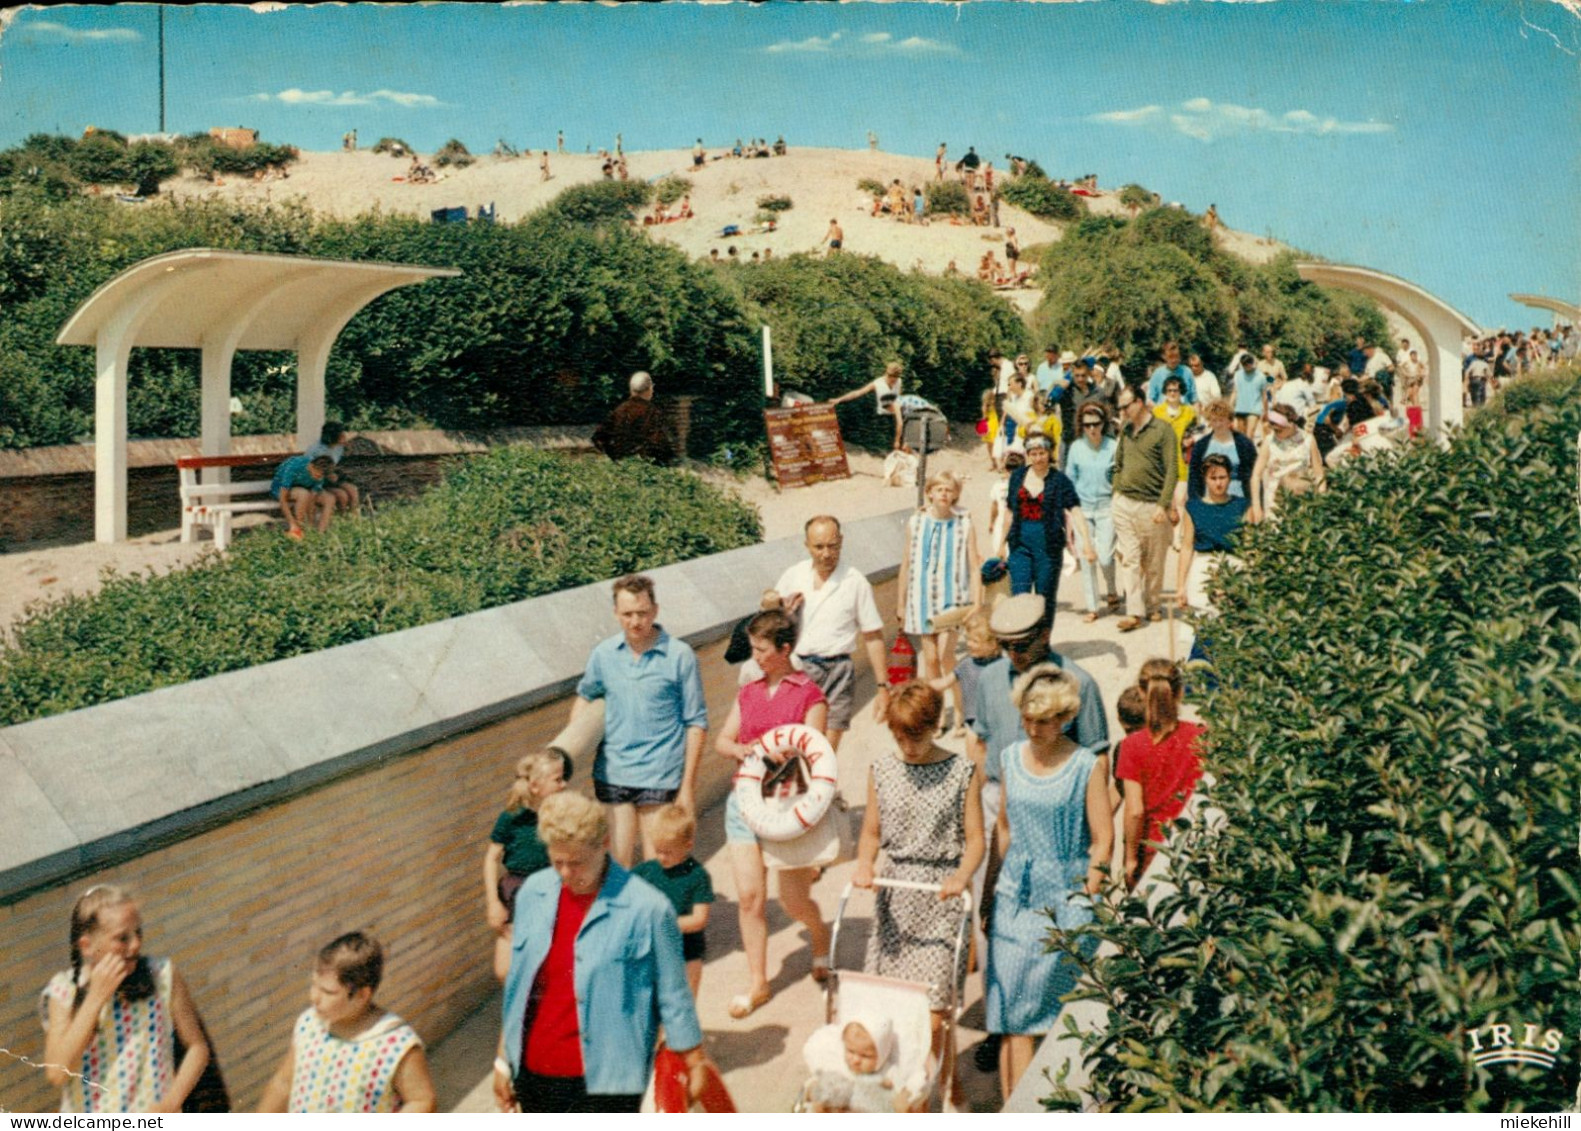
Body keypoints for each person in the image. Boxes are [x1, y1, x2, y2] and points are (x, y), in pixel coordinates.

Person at [494, 792, 712, 1113]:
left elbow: (673, 993)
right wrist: (503, 1060)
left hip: (608, 1080)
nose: (566, 874)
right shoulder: (533, 894)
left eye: (577, 862)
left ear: (605, 843)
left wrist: (694, 1058)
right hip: (535, 1073)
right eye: (557, 862)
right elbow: (520, 988)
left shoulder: (648, 908)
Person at [853, 681, 984, 1105]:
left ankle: (942, 1084)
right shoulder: (882, 770)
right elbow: (871, 832)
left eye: (916, 735)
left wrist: (962, 875)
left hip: (941, 898)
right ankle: (923, 1089)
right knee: (892, 1010)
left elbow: (977, 840)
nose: (908, 746)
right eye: (899, 737)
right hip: (896, 898)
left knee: (933, 1016)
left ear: (935, 726)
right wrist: (863, 864)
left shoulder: (961, 771)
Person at [984, 666, 1112, 1099]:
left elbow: (1103, 841)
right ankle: (1014, 1110)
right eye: (1027, 718)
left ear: (1065, 718)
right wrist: (998, 889)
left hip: (1065, 902)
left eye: (1043, 720)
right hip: (1014, 902)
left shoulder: (1085, 766)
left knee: (1050, 1020)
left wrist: (1086, 898)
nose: (1033, 728)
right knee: (1011, 1019)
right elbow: (1002, 827)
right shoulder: (1008, 759)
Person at [713, 608, 833, 1018]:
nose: (756, 656)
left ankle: (819, 936)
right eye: (754, 648)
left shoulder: (809, 695)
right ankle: (758, 982)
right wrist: (742, 750)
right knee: (750, 898)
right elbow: (723, 742)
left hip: (787, 807)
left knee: (793, 900)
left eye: (763, 649)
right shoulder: (747, 692)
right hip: (743, 804)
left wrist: (788, 755)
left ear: (786, 648)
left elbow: (815, 751)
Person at [571, 574, 707, 868]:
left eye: (642, 613)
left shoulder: (680, 656)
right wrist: (570, 751)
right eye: (627, 614)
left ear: (655, 611)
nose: (635, 621)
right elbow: (585, 697)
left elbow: (696, 723)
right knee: (615, 867)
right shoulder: (604, 655)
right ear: (616, 614)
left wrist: (687, 789)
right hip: (613, 774)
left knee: (658, 868)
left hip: (660, 776)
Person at [42, 885, 212, 1113]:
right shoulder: (65, 990)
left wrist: (172, 1102)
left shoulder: (162, 975)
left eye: (138, 932)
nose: (135, 944)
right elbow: (56, 1074)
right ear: (87, 946)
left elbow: (197, 1047)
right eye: (122, 938)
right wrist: (95, 998)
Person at [258, 932, 436, 1113]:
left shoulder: (396, 1044)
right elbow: (283, 1083)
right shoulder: (310, 1025)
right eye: (314, 984)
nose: (314, 997)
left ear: (362, 995)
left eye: (328, 992)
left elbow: (421, 1100)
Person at [773, 516, 890, 751]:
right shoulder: (793, 576)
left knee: (825, 750)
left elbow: (873, 636)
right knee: (797, 745)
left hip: (838, 672)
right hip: (799, 670)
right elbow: (769, 620)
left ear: (841, 542)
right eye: (818, 547)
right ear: (806, 544)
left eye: (832, 546)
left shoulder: (855, 582)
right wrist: (776, 607)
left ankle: (821, 785)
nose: (826, 554)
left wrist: (883, 688)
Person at [1116, 660, 1204, 887]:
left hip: (1153, 849)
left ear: (1141, 693)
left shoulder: (1132, 746)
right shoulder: (1201, 736)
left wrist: (1130, 859)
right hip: (1194, 845)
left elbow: (1135, 811)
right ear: (1181, 692)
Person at [484, 750, 570, 981]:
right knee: (505, 970)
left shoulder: (559, 815)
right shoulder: (511, 818)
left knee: (547, 966)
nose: (564, 784)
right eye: (557, 780)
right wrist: (493, 902)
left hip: (551, 890)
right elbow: (491, 858)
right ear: (534, 786)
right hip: (516, 892)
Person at [1000, 434, 1093, 630]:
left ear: (1049, 453)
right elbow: (1009, 511)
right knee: (1020, 595)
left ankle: (1041, 644)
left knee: (1044, 597)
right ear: (1027, 454)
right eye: (1033, 453)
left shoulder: (1060, 480)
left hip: (1048, 548)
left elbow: (1075, 510)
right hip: (1019, 545)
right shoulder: (1017, 477)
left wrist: (1087, 544)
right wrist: (1000, 545)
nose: (1037, 458)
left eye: (1041, 453)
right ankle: (1022, 644)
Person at [1112, 385, 1178, 631]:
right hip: (1124, 503)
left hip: (1152, 506)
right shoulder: (1126, 431)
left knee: (1154, 562)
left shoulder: (1163, 430)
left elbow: (1172, 469)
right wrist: (1116, 491)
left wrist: (1163, 504)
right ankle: (1134, 612)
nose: (1122, 411)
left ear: (1140, 402)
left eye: (1126, 406)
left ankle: (1153, 606)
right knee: (1129, 558)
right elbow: (1118, 464)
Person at [632, 805, 714, 998]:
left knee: (685, 1002)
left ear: (688, 845)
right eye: (657, 850)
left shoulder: (697, 876)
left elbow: (699, 919)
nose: (661, 857)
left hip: (689, 948)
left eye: (667, 852)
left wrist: (662, 923)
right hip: (655, 947)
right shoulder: (647, 871)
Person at [1064, 403, 1119, 622]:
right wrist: (1069, 511)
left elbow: (1120, 476)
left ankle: (1112, 589)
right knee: (1087, 559)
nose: (1092, 429)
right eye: (1087, 425)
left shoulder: (1114, 446)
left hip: (1107, 507)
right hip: (1082, 509)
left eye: (1096, 424)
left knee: (1105, 556)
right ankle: (1092, 606)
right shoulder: (1076, 447)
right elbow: (1070, 478)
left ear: (1103, 423)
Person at [1176, 454, 1249, 614]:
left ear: (1230, 477)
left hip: (1234, 564)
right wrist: (1181, 586)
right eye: (1213, 478)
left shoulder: (1242, 506)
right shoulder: (1193, 508)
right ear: (1205, 479)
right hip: (1204, 566)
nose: (1218, 483)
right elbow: (1187, 547)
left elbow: (1250, 545)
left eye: (1222, 477)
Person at [1251, 409, 1324, 524]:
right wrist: (1256, 506)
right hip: (1274, 497)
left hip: (1301, 494)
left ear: (1291, 425)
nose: (1276, 433)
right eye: (1274, 430)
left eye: (1279, 430)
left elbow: (1319, 473)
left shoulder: (1308, 439)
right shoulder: (1269, 441)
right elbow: (1256, 475)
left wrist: (1321, 500)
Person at [590, 370, 677, 465]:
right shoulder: (652, 412)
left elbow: (598, 438)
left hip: (620, 468)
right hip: (645, 468)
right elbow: (659, 443)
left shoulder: (620, 410)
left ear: (631, 390)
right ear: (649, 389)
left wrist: (614, 456)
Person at [827, 360, 906, 450]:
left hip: (897, 414)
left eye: (896, 379)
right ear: (888, 374)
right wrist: (839, 399)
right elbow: (858, 393)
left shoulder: (899, 381)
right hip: (884, 417)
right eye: (892, 379)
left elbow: (899, 396)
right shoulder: (877, 383)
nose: (894, 381)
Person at [269, 453, 335, 539]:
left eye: (321, 477)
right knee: (303, 494)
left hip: (305, 489)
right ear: (311, 466)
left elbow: (313, 497)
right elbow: (282, 498)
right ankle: (299, 530)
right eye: (317, 475)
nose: (319, 479)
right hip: (281, 489)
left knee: (330, 499)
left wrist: (311, 521)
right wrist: (292, 522)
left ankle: (320, 535)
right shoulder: (294, 466)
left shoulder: (320, 473)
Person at [306, 420, 361, 515]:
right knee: (342, 495)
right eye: (342, 435)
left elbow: (336, 463)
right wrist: (327, 475)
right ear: (333, 437)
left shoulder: (338, 447)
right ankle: (341, 519)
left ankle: (354, 520)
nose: (345, 437)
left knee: (353, 490)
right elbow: (310, 471)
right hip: (317, 481)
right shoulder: (316, 450)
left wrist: (348, 448)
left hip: (331, 478)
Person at [1151, 375, 1197, 479]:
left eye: (1175, 390)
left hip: (1184, 465)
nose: (1172, 393)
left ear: (1181, 392)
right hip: (1161, 465)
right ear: (1165, 392)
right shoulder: (1156, 412)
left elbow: (1199, 432)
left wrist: (1192, 439)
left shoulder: (1190, 412)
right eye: (1169, 390)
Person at [1229, 350, 1270, 440]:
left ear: (1252, 363)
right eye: (1245, 365)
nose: (1247, 366)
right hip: (1240, 407)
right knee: (1240, 434)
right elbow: (1235, 391)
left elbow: (1264, 395)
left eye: (1249, 364)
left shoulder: (1261, 376)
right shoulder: (1238, 375)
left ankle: (1249, 453)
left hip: (1254, 409)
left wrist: (1266, 411)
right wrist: (1230, 406)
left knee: (1249, 434)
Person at [1146, 341, 1196, 406]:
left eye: (1176, 356)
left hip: (1185, 413)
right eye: (1171, 357)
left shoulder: (1187, 371)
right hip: (1163, 414)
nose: (1174, 360)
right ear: (1163, 356)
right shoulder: (1157, 374)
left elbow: (1194, 399)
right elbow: (1150, 401)